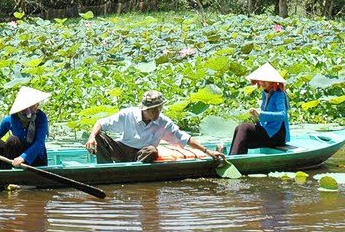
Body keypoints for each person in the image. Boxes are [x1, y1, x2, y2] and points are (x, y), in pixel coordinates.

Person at [85, 90, 224, 163]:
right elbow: (100, 123)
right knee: (98, 136)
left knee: (152, 151)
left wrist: (208, 152)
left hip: (142, 154)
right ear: (145, 109)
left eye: (159, 109)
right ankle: (106, 168)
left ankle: (135, 170)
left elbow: (185, 138)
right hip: (122, 149)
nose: (157, 112)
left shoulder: (164, 122)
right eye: (153, 110)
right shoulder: (128, 114)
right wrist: (91, 137)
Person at [227, 62, 290, 155]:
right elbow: (263, 120)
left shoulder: (279, 94)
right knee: (239, 128)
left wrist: (261, 114)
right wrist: (256, 117)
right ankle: (233, 157)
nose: (262, 83)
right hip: (267, 132)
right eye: (261, 80)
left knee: (244, 127)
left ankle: (236, 158)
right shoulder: (265, 93)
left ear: (272, 81)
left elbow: (282, 115)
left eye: (266, 80)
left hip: (276, 135)